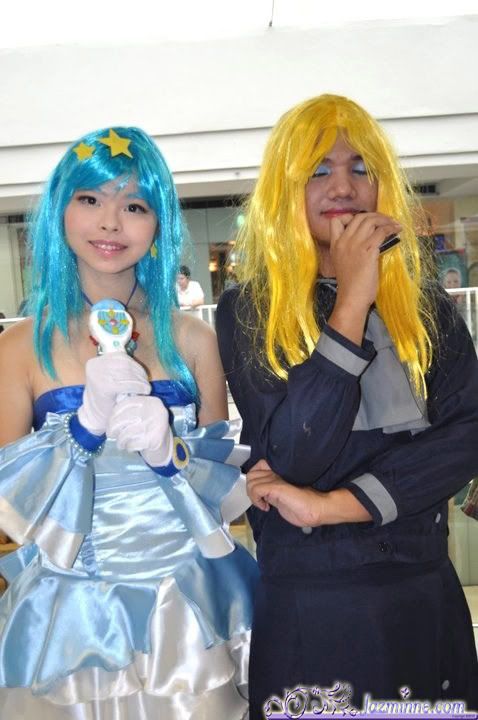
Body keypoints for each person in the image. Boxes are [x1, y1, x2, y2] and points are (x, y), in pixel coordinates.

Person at [216, 94, 478, 717]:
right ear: (285, 190)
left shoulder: (429, 307)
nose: (343, 186)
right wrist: (353, 300)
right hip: (312, 601)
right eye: (318, 170)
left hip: (423, 589)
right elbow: (296, 454)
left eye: (361, 168)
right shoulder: (247, 309)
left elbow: (466, 437)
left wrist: (332, 505)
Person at [0, 126, 257, 719]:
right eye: (90, 199)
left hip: (187, 610)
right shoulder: (18, 349)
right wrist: (82, 428)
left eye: (134, 206)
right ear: (60, 210)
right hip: (73, 616)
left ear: (159, 222)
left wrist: (173, 454)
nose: (111, 222)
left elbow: (225, 495)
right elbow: (8, 500)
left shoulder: (194, 339)